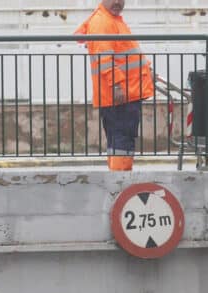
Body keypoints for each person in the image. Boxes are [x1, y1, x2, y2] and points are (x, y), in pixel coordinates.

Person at [75, 0, 154, 171]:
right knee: (122, 140)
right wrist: (117, 85)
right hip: (121, 95)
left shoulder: (113, 20)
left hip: (125, 94)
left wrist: (148, 70)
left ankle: (116, 182)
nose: (117, 2)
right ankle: (121, 182)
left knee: (118, 141)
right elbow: (105, 59)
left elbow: (125, 54)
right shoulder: (103, 22)